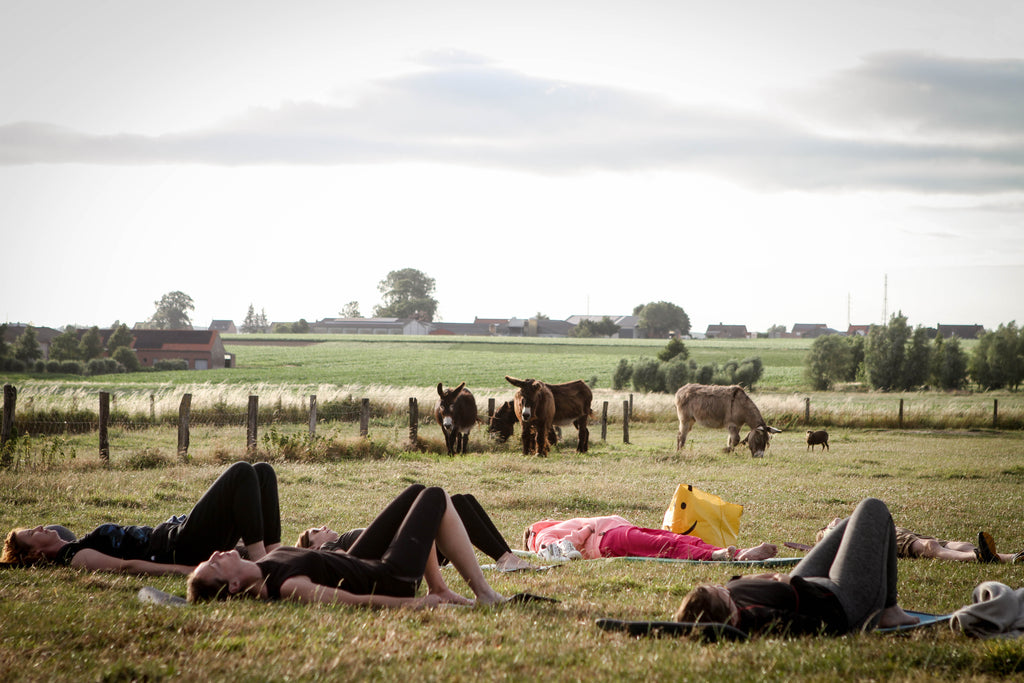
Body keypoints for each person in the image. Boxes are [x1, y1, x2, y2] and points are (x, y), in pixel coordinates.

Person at [187, 484, 511, 608]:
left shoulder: (265, 562)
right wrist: (411, 605)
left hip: (357, 563)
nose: (215, 555)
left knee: (415, 492)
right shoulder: (285, 585)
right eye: (214, 564)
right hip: (388, 578)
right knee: (435, 496)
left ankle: (439, 587)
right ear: (232, 585)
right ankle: (484, 594)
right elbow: (350, 600)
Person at [675, 497, 920, 636]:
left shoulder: (731, 600)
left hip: (802, 584)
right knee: (872, 508)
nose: (718, 586)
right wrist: (792, 582)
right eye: (718, 591)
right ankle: (888, 609)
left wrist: (757, 578)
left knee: (849, 523)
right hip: (839, 599)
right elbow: (826, 624)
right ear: (727, 609)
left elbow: (732, 585)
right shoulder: (759, 618)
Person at [1, 461, 281, 575]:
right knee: (242, 471)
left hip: (179, 535)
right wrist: (188, 572)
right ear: (35, 553)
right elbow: (128, 567)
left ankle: (278, 554)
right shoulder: (75, 556)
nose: (39, 527)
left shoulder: (76, 543)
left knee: (262, 472)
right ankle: (263, 566)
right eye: (31, 533)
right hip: (178, 548)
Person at [298, 493, 541, 573]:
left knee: (463, 500)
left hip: (415, 546)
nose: (324, 527)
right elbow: (345, 565)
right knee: (455, 503)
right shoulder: (327, 550)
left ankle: (507, 557)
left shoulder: (342, 540)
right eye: (316, 531)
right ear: (312, 547)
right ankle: (504, 559)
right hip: (413, 552)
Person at [523, 515, 778, 562]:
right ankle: (717, 555)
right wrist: (586, 531)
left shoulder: (552, 527)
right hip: (608, 538)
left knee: (675, 539)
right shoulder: (539, 534)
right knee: (666, 546)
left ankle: (737, 551)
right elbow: (550, 547)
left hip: (616, 532)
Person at [816, 519, 1023, 564]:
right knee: (930, 547)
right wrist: (830, 530)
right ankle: (977, 557)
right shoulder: (830, 534)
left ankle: (1012, 557)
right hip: (883, 535)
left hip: (899, 531)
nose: (832, 521)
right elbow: (826, 541)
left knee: (955, 544)